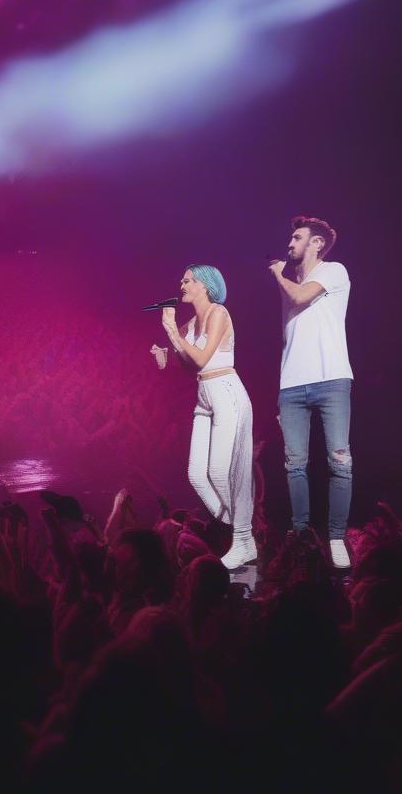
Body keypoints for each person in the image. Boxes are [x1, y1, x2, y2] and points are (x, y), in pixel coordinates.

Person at [151, 265, 256, 569]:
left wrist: (171, 331)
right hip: (204, 395)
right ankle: (243, 532)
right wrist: (165, 356)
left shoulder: (218, 313)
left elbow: (201, 357)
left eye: (187, 280)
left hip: (226, 391)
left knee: (222, 472)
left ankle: (243, 537)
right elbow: (188, 366)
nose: (181, 284)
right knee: (197, 474)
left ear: (204, 286)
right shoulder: (189, 324)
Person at [268, 215, 353, 569]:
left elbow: (302, 297)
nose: (290, 243)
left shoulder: (333, 271)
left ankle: (336, 537)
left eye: (297, 237)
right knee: (295, 465)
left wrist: (276, 273)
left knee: (340, 462)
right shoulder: (292, 282)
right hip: (291, 385)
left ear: (316, 243)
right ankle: (301, 534)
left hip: (331, 378)